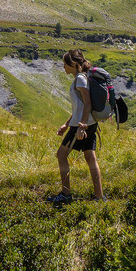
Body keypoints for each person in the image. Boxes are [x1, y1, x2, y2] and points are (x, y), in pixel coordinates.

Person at [51, 49, 103, 203]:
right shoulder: (82, 78)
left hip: (81, 125)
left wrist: (81, 126)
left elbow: (87, 103)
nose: (63, 67)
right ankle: (99, 196)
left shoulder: (80, 79)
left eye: (65, 64)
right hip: (88, 123)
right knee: (90, 157)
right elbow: (79, 107)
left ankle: (66, 195)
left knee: (61, 155)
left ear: (73, 64)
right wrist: (66, 124)